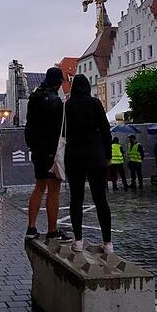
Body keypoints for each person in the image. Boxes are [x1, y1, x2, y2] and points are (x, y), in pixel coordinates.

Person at [64, 74, 114, 253]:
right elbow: (106, 130)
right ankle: (107, 243)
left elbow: (63, 131)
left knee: (76, 199)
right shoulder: (95, 103)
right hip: (96, 155)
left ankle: (78, 240)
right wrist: (107, 154)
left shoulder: (67, 105)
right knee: (101, 199)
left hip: (74, 156)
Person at [23, 67, 71, 242]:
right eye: (60, 82)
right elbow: (60, 130)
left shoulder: (34, 97)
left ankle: (31, 228)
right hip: (51, 150)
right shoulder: (55, 101)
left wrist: (33, 145)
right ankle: (52, 230)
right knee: (54, 190)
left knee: (39, 187)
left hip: (37, 149)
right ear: (57, 82)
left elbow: (29, 124)